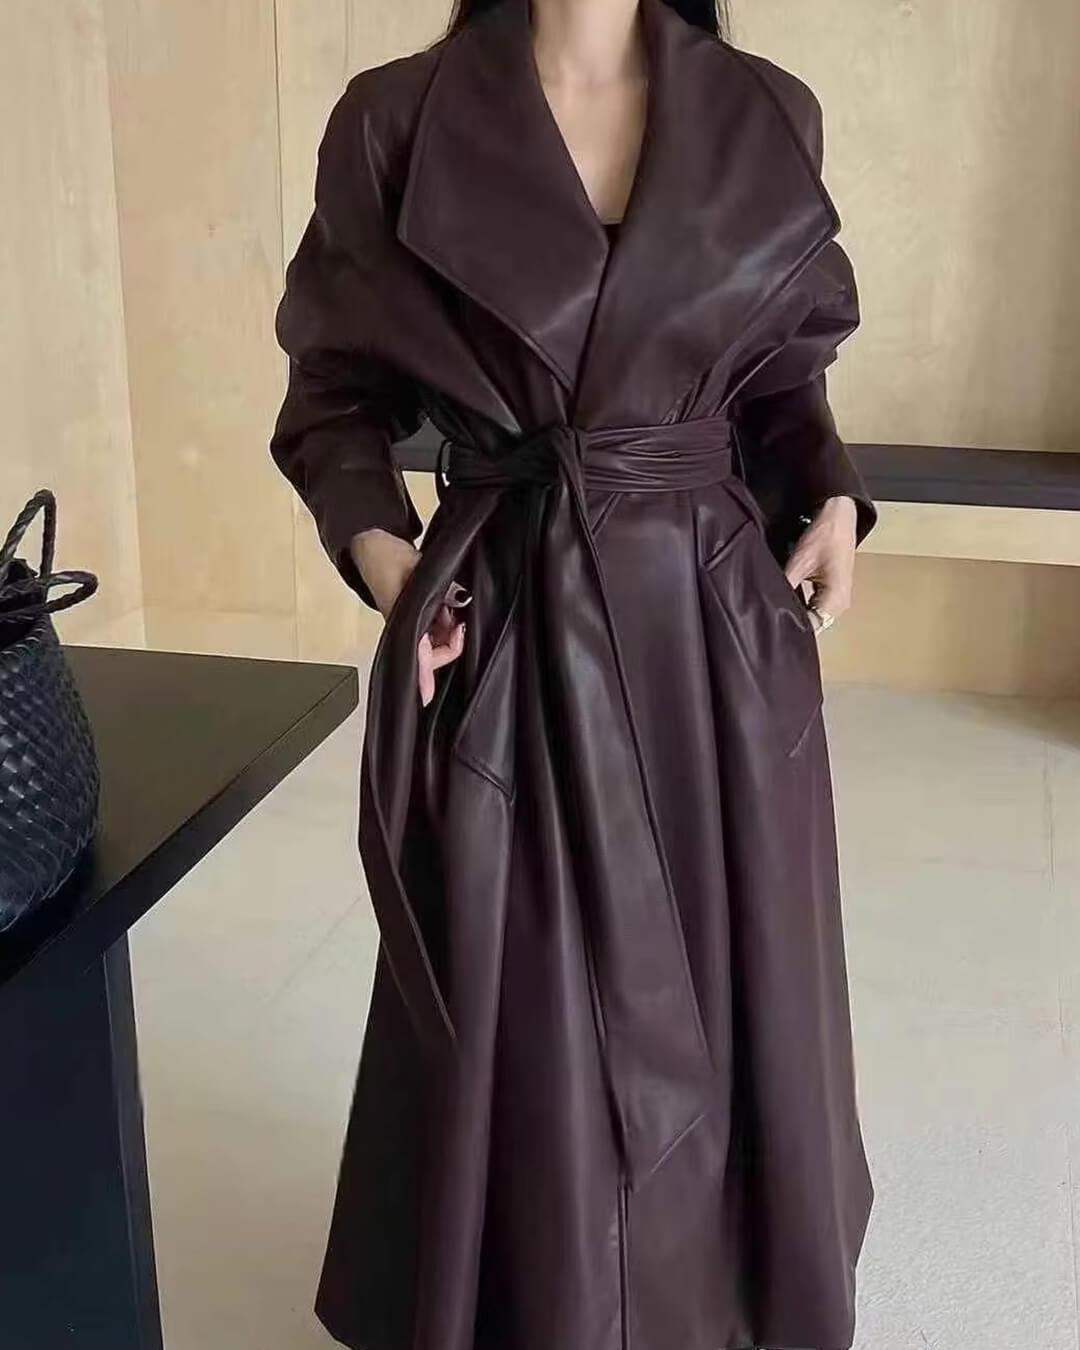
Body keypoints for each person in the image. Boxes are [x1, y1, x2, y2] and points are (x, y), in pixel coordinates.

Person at [270, 1, 876, 1347]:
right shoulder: (394, 119)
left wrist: (831, 494)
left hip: (713, 637)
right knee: (532, 997)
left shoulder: (766, 109)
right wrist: (392, 565)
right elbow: (333, 398)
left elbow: (782, 381)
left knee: (738, 988)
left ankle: (722, 1304)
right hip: (515, 615)